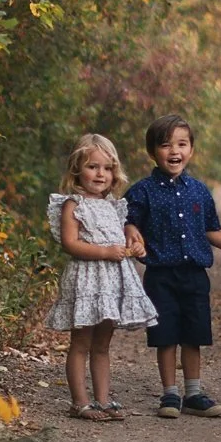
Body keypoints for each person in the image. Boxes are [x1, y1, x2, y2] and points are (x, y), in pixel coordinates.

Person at [126, 113, 221, 418]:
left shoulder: (199, 190)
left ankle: (194, 393)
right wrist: (132, 236)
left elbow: (210, 229)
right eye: (165, 145)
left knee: (193, 334)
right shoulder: (141, 191)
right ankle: (170, 395)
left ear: (191, 150)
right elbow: (128, 223)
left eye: (182, 144)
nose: (174, 151)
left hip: (195, 275)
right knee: (166, 334)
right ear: (153, 152)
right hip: (160, 275)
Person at [46, 134, 156, 421]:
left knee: (102, 345)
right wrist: (106, 251)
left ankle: (103, 400)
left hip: (110, 282)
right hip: (86, 279)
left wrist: (134, 244)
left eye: (107, 168)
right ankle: (80, 402)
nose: (100, 174)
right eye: (93, 167)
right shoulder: (73, 204)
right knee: (81, 343)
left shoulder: (113, 205)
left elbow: (121, 236)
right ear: (77, 170)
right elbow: (70, 244)